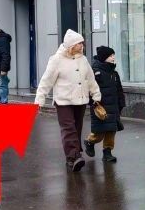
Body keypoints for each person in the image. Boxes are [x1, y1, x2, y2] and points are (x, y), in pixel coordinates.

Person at [34, 30, 102, 172]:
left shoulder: (83, 59)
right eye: (79, 43)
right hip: (63, 101)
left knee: (77, 127)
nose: (82, 45)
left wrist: (96, 95)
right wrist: (39, 99)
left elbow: (90, 79)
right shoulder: (56, 60)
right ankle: (74, 156)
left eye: (82, 43)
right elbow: (46, 81)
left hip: (80, 100)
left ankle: (72, 156)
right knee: (68, 128)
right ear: (71, 45)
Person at [84, 46, 127, 164]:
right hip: (100, 107)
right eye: (110, 56)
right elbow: (89, 89)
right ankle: (89, 142)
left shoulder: (114, 73)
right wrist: (93, 102)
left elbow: (119, 90)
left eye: (113, 55)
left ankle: (107, 152)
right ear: (104, 57)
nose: (113, 57)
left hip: (114, 107)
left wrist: (121, 103)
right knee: (99, 133)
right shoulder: (95, 72)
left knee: (111, 131)